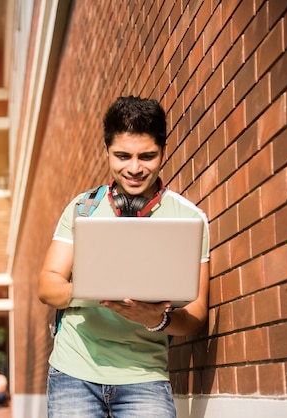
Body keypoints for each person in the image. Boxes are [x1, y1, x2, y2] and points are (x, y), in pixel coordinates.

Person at [37, 95, 210, 418]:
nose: (133, 168)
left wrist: (156, 319)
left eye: (147, 156)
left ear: (163, 151)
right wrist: (92, 290)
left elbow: (197, 315)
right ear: (107, 152)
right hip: (74, 372)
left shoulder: (189, 219)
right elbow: (47, 286)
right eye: (122, 156)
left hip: (145, 377)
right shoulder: (82, 208)